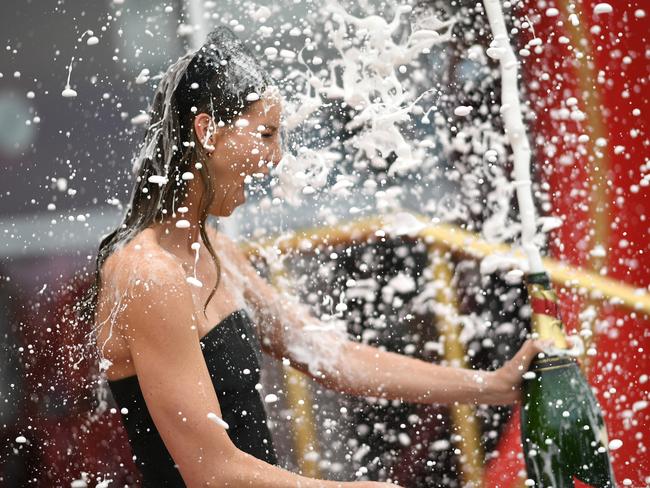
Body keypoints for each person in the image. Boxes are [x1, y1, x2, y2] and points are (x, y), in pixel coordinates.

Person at [89, 27, 546, 488]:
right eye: (266, 134)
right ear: (206, 131)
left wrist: (492, 386)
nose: (276, 157)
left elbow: (333, 357)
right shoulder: (149, 274)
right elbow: (211, 472)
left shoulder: (216, 251)